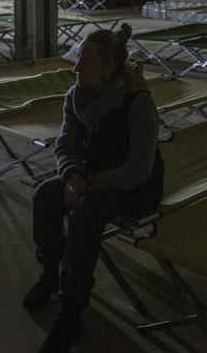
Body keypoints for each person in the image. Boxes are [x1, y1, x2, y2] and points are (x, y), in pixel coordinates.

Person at [23, 23, 165, 353]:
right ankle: (50, 273)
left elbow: (138, 169)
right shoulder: (77, 95)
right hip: (90, 177)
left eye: (84, 61)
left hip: (133, 187)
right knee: (45, 194)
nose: (75, 68)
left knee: (86, 212)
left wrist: (86, 183)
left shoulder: (137, 101)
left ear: (109, 66)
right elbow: (66, 142)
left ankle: (72, 311)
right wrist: (72, 174)